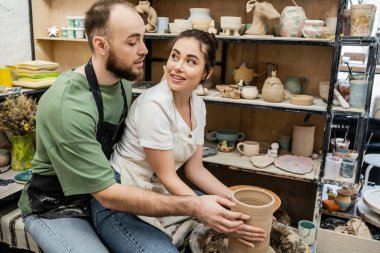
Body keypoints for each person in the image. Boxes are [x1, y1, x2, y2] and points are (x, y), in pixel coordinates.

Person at [17, 1, 265, 252]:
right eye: (132, 42)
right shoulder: (68, 106)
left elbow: (190, 169)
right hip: (58, 205)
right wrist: (194, 206)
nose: (145, 50)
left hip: (103, 190)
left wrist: (236, 205)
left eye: (143, 39)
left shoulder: (123, 84)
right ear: (101, 45)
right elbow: (107, 194)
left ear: (206, 72)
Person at [91, 29, 266, 252]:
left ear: (206, 72)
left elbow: (195, 170)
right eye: (175, 56)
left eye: (190, 61)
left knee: (231, 217)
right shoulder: (154, 105)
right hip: (122, 200)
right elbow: (168, 176)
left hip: (162, 193)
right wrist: (201, 208)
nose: (177, 67)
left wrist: (237, 201)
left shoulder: (199, 106)